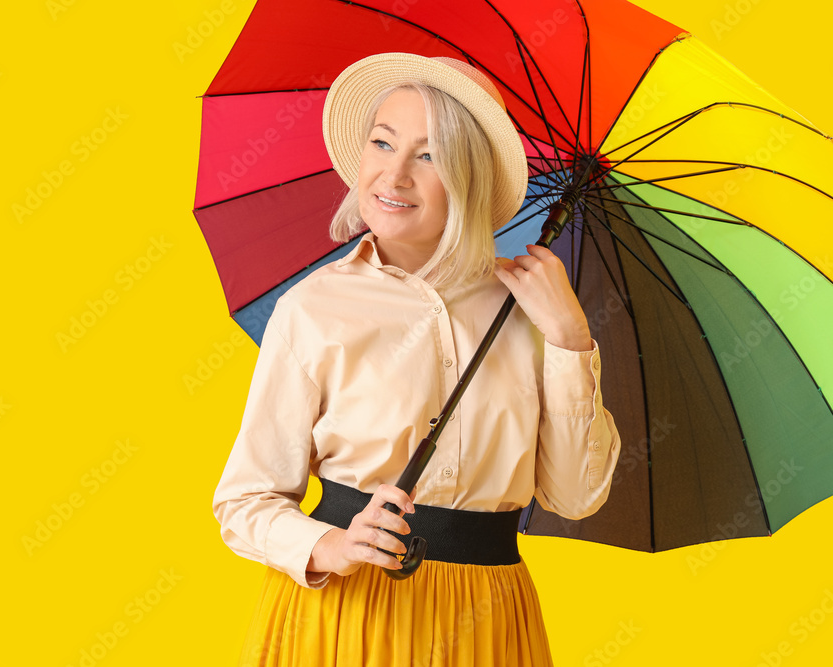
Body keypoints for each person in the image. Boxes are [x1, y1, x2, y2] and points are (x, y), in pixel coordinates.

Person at [213, 52, 621, 666]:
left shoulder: (533, 311)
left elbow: (574, 497)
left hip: (488, 619)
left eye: (428, 156)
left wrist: (569, 338)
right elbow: (245, 502)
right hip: (348, 618)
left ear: (470, 177)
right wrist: (332, 544)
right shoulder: (315, 307)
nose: (393, 174)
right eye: (382, 143)